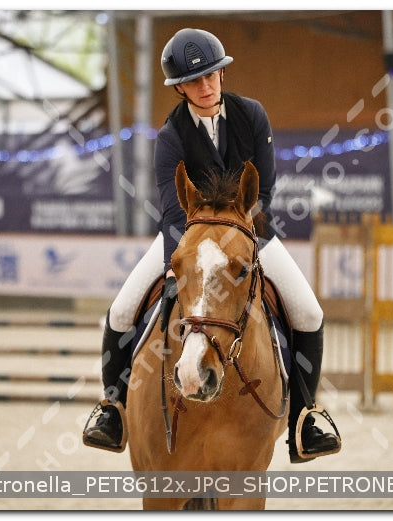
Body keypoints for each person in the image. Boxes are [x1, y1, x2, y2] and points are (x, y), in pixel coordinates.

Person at [83, 28, 340, 463]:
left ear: (221, 75)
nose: (206, 87)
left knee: (310, 313)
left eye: (212, 76)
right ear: (180, 87)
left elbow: (265, 190)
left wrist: (235, 242)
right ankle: (112, 409)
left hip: (250, 232)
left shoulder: (252, 115)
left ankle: (305, 417)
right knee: (122, 311)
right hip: (187, 238)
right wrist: (184, 261)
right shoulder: (171, 136)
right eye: (195, 81)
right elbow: (171, 210)